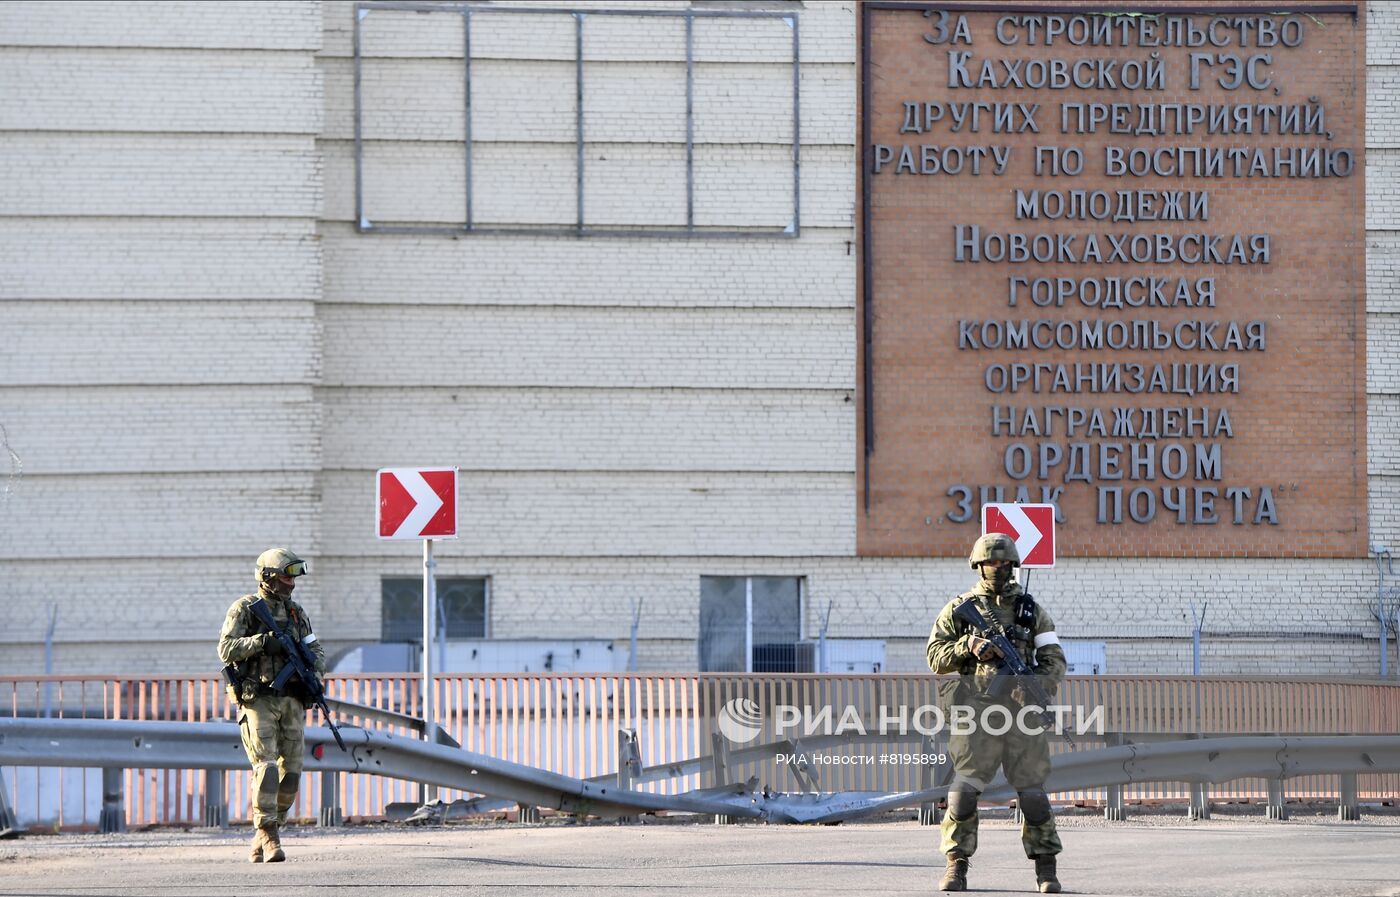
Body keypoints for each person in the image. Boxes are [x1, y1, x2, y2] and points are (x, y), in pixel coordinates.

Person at [926, 532, 1067, 893]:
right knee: (964, 790)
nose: (998, 569)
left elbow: (1054, 660)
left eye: (1004, 563)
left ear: (1014, 565)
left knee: (1032, 793)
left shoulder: (1031, 611)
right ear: (979, 564)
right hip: (977, 713)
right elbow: (935, 658)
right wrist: (969, 645)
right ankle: (956, 865)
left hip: (1021, 714)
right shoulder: (961, 607)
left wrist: (1034, 684)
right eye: (992, 562)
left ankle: (1046, 870)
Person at [218, 547, 325, 863]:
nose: (291, 583)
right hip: (259, 699)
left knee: (290, 774)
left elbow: (315, 648)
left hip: (291, 700)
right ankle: (269, 834)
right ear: (267, 577)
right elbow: (225, 649)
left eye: (293, 576)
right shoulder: (246, 610)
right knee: (264, 768)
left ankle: (263, 833)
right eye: (284, 576)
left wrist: (314, 673)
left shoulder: (296, 613)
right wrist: (262, 642)